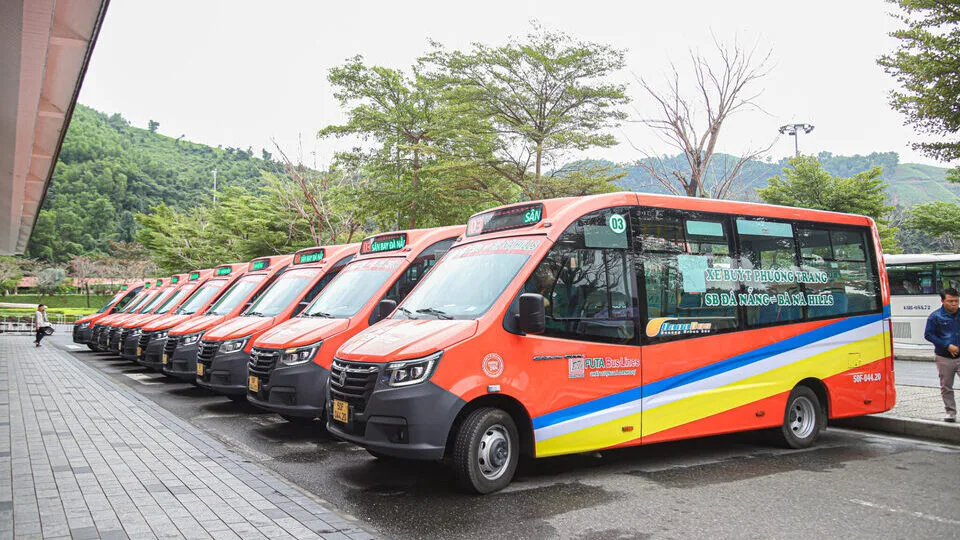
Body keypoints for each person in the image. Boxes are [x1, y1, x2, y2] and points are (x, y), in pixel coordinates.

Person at [923, 288, 960, 422]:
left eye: (956, 301)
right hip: (944, 357)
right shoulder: (935, 316)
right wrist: (947, 346)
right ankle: (950, 412)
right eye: (950, 301)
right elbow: (928, 335)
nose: (954, 304)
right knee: (946, 386)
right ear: (943, 301)